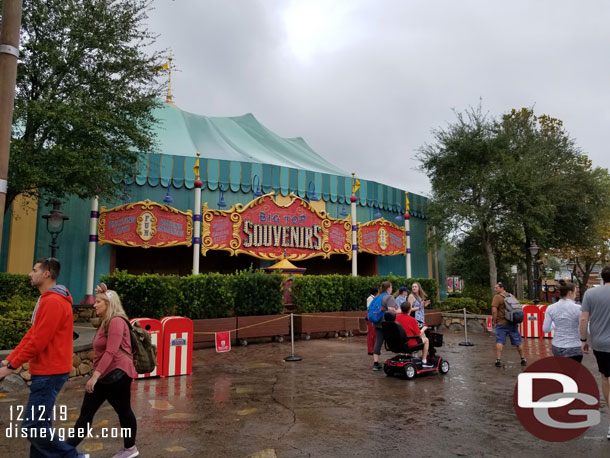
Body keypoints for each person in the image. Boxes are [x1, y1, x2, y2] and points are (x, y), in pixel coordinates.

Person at [0, 258, 88, 458]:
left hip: (50, 372)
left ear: (46, 273)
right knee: (41, 425)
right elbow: (32, 335)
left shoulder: (53, 302)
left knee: (33, 426)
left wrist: (11, 365)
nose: (31, 274)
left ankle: (74, 457)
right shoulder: (49, 300)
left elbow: (37, 342)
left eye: (34, 270)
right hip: (49, 370)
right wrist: (9, 360)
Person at [68, 284, 139, 458]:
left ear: (108, 304)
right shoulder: (106, 321)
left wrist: (94, 377)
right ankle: (66, 451)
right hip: (108, 374)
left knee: (119, 411)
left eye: (98, 301)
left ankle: (130, 449)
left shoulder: (115, 321)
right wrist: (103, 292)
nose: (94, 304)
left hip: (116, 374)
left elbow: (111, 351)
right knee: (91, 413)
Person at [580, 265, 610, 440]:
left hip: (601, 343)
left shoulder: (590, 294)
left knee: (606, 377)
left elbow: (584, 318)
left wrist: (583, 340)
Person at [542, 280, 582, 362]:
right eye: (575, 291)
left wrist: (556, 323)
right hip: (574, 346)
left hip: (557, 346)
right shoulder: (578, 309)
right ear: (570, 293)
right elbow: (586, 329)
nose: (576, 294)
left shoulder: (550, 308)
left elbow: (545, 329)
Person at [492, 282, 527, 367]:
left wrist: (494, 321)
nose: (495, 289)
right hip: (513, 322)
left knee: (500, 341)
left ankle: (498, 360)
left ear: (501, 288)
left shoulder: (497, 297)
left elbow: (494, 310)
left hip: (501, 323)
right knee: (518, 342)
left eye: (496, 288)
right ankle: (523, 359)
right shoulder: (511, 296)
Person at [396, 302, 433, 367]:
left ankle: (416, 356)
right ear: (410, 310)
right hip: (409, 342)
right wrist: (424, 328)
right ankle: (424, 361)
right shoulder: (412, 320)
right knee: (426, 340)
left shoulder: (396, 318)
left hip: (398, 342)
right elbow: (418, 334)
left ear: (401, 309)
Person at [372, 281, 399, 371]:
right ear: (388, 288)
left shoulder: (378, 297)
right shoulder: (389, 297)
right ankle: (399, 359)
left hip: (377, 322)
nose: (392, 289)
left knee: (378, 342)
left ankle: (375, 363)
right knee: (395, 339)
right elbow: (395, 310)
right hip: (386, 323)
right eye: (391, 287)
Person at [366, 288, 377, 355]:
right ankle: (370, 350)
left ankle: (373, 349)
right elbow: (369, 309)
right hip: (371, 318)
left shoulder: (374, 298)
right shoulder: (370, 298)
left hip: (374, 318)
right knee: (371, 334)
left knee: (374, 334)